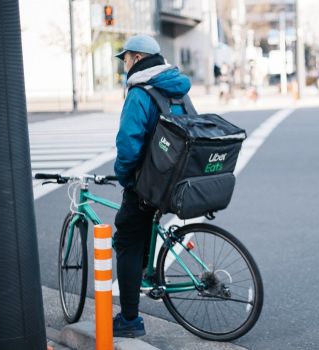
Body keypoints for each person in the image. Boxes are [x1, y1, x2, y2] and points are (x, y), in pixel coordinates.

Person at [112, 34, 191, 337]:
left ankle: (130, 320)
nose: (125, 64)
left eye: (126, 58)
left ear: (136, 58)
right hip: (177, 178)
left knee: (126, 241)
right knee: (144, 230)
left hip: (149, 181)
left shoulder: (139, 92)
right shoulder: (178, 88)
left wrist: (124, 177)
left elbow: (128, 144)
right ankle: (149, 272)